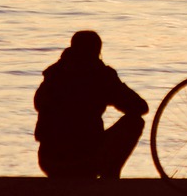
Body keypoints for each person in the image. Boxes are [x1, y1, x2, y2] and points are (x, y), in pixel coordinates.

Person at [33, 30, 149, 179]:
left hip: (48, 162)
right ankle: (110, 175)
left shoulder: (55, 73)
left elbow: (38, 104)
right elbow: (140, 107)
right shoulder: (101, 75)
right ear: (97, 51)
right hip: (84, 161)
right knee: (135, 122)